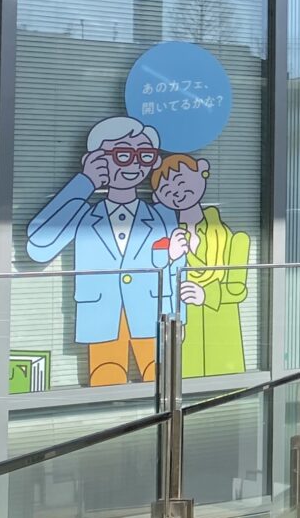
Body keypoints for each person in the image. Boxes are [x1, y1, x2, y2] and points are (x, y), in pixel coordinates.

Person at [26, 115, 187, 387]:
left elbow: (177, 271)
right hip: (101, 313)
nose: (134, 165)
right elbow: (39, 246)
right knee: (105, 377)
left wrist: (179, 319)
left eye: (145, 156)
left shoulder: (161, 215)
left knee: (160, 379)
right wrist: (85, 182)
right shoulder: (83, 214)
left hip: (152, 313)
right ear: (95, 159)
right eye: (123, 155)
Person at [152, 152, 248, 378]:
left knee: (225, 379)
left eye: (182, 182)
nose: (177, 193)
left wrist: (206, 294)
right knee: (181, 377)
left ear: (202, 171)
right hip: (183, 324)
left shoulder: (233, 238)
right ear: (157, 197)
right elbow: (151, 284)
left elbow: (238, 289)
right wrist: (169, 256)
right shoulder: (164, 239)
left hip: (221, 324)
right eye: (167, 191)